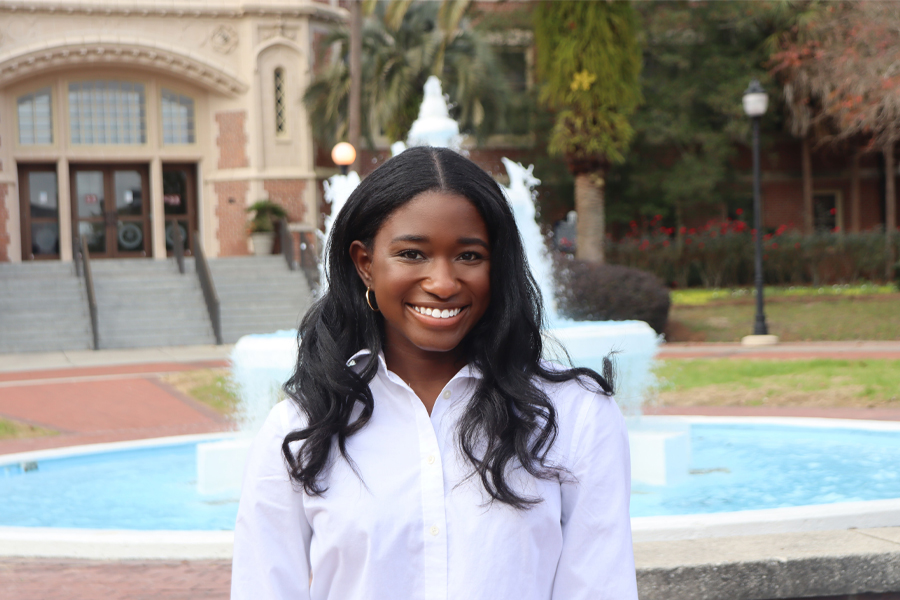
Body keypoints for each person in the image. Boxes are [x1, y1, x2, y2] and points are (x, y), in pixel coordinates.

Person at [231, 146, 637, 600]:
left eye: (468, 256)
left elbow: (601, 587)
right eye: (411, 254)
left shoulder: (575, 415)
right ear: (365, 264)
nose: (443, 283)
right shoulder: (301, 428)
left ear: (496, 264)